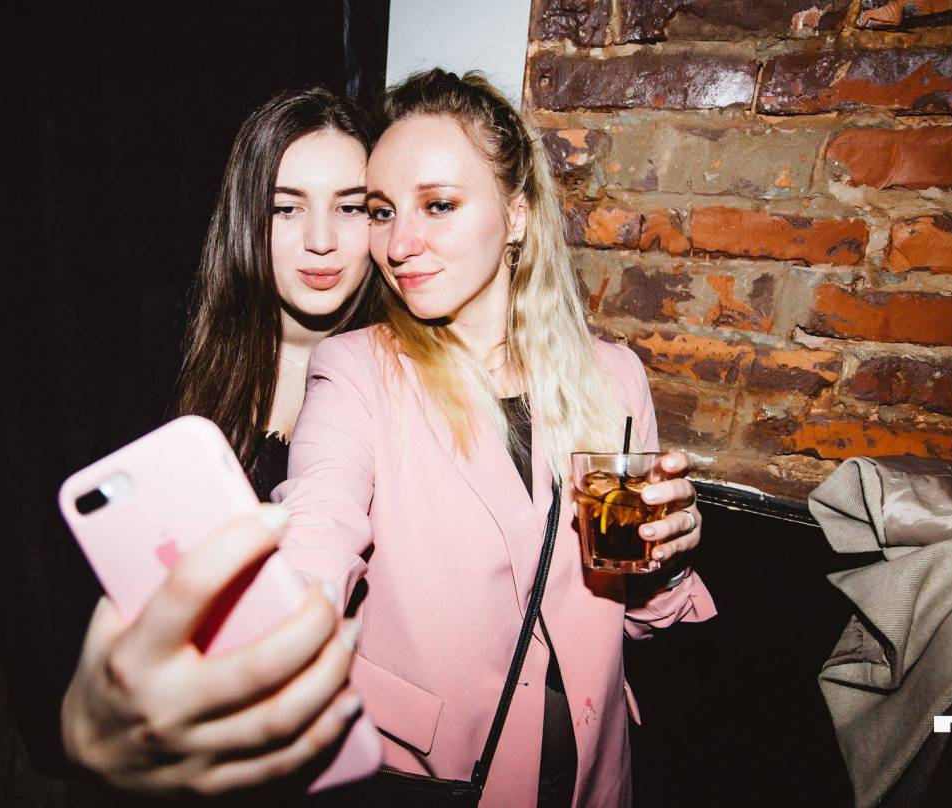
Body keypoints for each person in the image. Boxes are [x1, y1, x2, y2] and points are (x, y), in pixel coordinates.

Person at [271, 69, 718, 807]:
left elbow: (639, 616)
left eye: (438, 205)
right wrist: (265, 635)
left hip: (593, 775)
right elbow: (317, 524)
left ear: (516, 216)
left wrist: (665, 560)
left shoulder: (612, 379)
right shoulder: (354, 372)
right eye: (382, 212)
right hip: (435, 779)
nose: (398, 243)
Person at [56, 87, 379, 796]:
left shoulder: (405, 376)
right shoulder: (166, 353)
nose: (320, 239)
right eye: (285, 208)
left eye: (351, 207)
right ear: (245, 216)